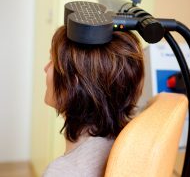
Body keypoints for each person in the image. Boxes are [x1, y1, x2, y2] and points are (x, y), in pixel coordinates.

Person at [43, 25, 144, 177]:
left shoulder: (64, 172)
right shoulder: (125, 146)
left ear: (74, 83)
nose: (45, 68)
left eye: (52, 61)